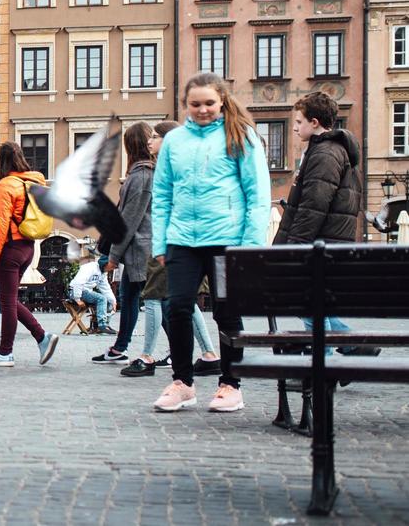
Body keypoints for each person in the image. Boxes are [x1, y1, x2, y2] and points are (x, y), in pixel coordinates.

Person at [150, 72, 271, 413]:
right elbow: (161, 195)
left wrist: (249, 244)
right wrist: (160, 242)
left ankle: (230, 385)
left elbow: (258, 195)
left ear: (221, 102)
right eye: (195, 104)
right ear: (185, 105)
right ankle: (183, 382)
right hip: (182, 238)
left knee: (227, 313)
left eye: (208, 103)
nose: (202, 110)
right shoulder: (175, 141)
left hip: (227, 238)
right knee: (177, 307)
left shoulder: (240, 135)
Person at [120, 120, 222, 378]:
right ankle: (210, 354)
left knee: (154, 298)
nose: (149, 141)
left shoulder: (170, 168)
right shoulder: (168, 167)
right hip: (175, 240)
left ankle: (147, 357)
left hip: (169, 241)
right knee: (183, 302)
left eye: (155, 137)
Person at [277, 91, 376, 356]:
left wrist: (293, 247)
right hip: (326, 242)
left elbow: (314, 207)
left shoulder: (325, 154)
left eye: (299, 121)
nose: (295, 127)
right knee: (313, 304)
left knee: (307, 303)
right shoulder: (327, 152)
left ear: (315, 122)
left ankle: (326, 364)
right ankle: (351, 345)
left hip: (319, 245)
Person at [0, 143, 60, 368]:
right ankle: (42, 338)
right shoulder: (35, 181)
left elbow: (0, 225)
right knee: (10, 299)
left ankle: (6, 353)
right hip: (29, 245)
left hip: (11, 248)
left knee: (6, 301)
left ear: (1, 161)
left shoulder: (6, 185)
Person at [94, 122, 155, 363]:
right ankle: (120, 347)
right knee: (133, 298)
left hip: (141, 249)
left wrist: (114, 256)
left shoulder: (141, 176)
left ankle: (177, 350)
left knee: (156, 301)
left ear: (131, 146)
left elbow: (128, 222)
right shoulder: (145, 174)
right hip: (142, 248)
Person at [69, 249, 116, 334]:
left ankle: (102, 325)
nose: (113, 268)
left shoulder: (102, 273)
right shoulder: (90, 268)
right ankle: (102, 325)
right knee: (101, 299)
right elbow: (78, 282)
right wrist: (77, 299)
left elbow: (106, 288)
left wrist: (113, 301)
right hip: (75, 290)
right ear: (106, 263)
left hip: (85, 291)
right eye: (112, 266)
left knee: (108, 301)